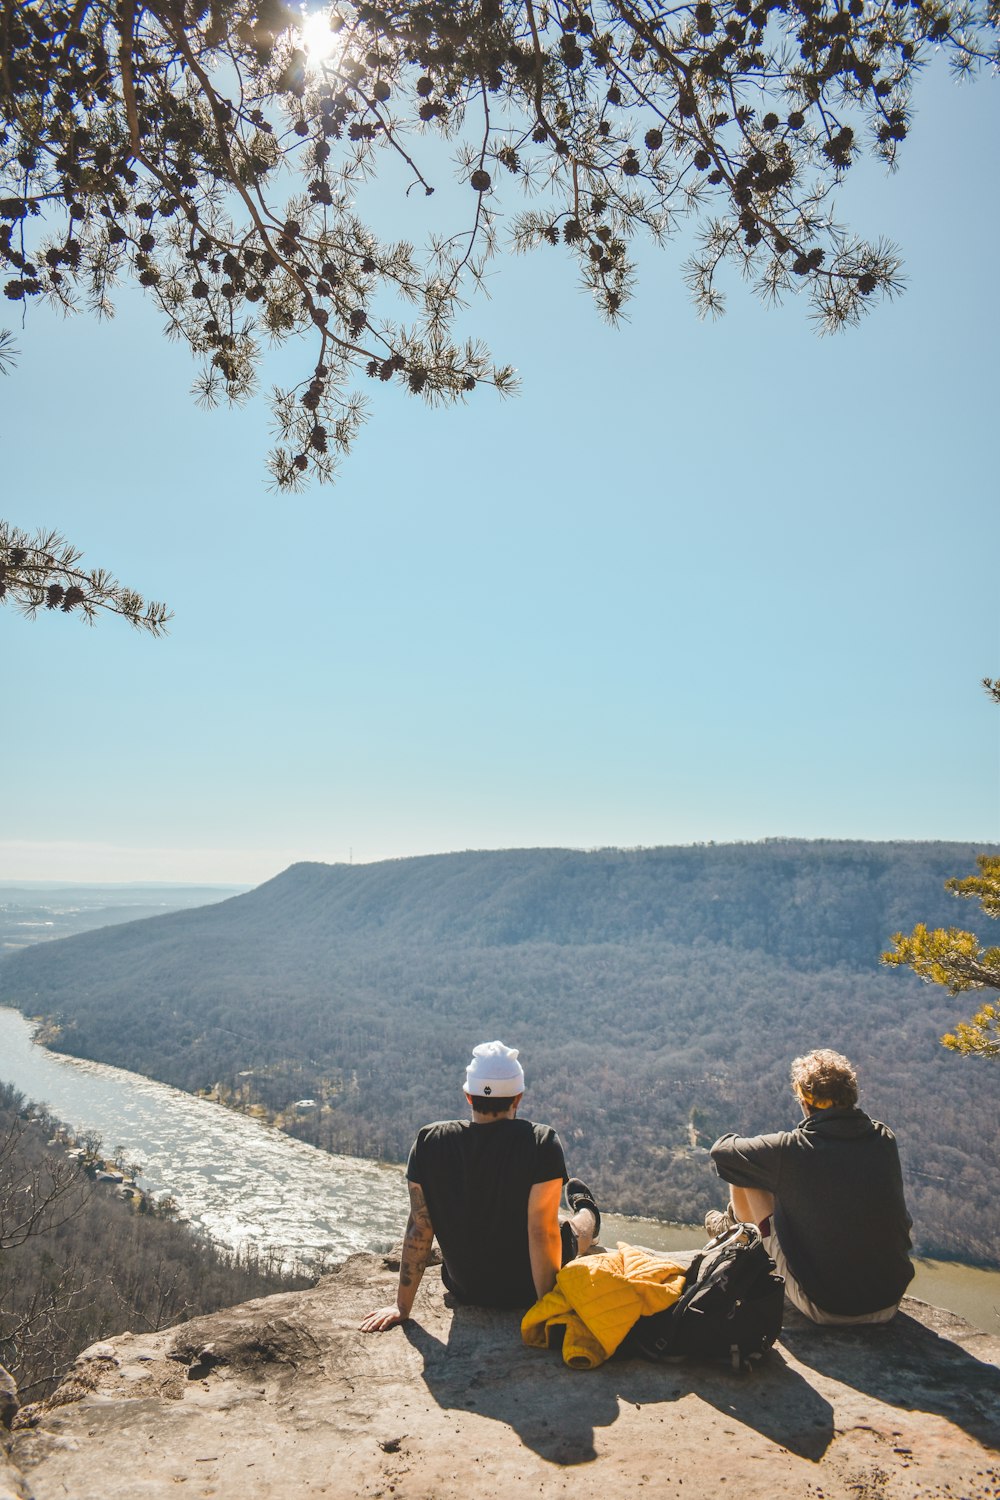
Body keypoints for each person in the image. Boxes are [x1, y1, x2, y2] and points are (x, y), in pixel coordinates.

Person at [360, 1040, 600, 1330]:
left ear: (468, 1096)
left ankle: (583, 1214)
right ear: (518, 1097)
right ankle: (589, 1212)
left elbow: (420, 1226)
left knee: (547, 1218)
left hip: (464, 1287)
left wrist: (401, 1307)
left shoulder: (429, 1141)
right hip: (525, 1291)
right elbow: (541, 1231)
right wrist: (545, 1311)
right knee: (568, 1229)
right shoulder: (540, 1142)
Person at [708, 1048, 913, 1325]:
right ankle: (736, 1228)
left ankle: (736, 1233)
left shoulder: (791, 1149)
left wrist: (761, 1153)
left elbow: (722, 1153)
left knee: (747, 1168)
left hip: (826, 1306)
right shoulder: (883, 1138)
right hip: (888, 1300)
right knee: (765, 1169)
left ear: (804, 1101)